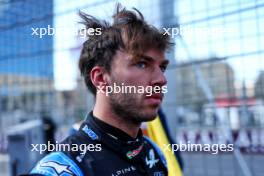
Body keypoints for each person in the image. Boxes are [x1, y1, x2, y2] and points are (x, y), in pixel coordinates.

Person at [27, 4, 171, 176]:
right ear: (101, 78)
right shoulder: (66, 167)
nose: (161, 80)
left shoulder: (153, 152)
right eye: (141, 64)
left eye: (162, 68)